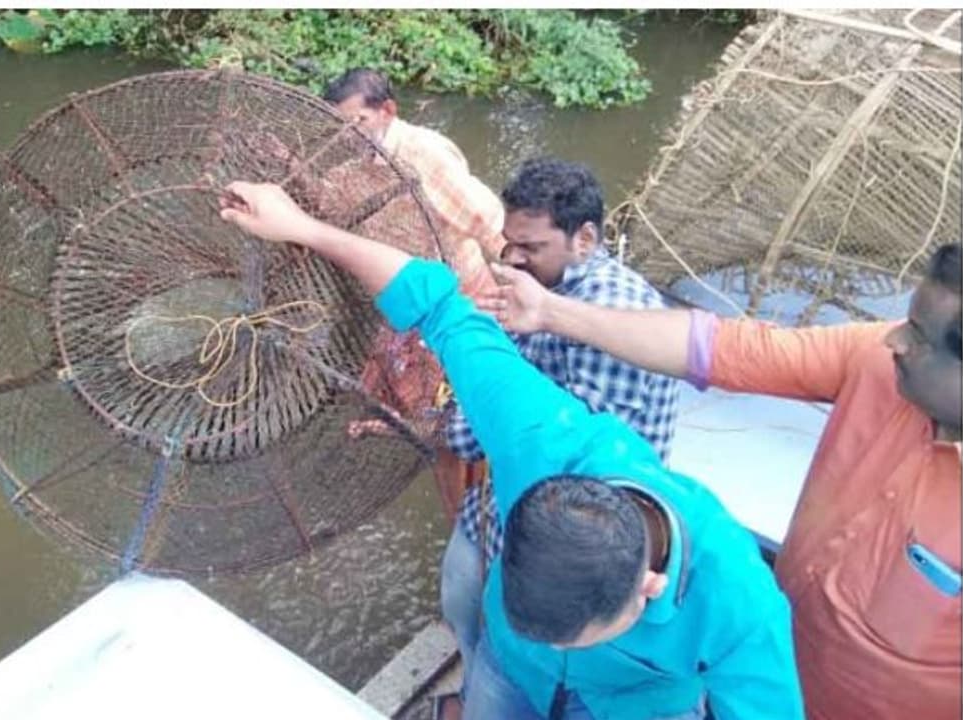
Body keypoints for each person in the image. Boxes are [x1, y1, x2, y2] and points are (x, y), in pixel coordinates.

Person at [219, 181, 804, 720]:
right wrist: (302, 227)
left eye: (568, 637)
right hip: (510, 666)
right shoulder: (538, 439)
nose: (554, 647)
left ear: (648, 587)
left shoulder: (741, 607)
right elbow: (434, 301)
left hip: (635, 703)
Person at [477, 245, 963, 720]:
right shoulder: (877, 361)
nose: (893, 341)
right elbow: (719, 349)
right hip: (751, 666)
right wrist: (550, 311)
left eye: (919, 338)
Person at [440, 157, 683, 692]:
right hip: (501, 508)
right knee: (460, 604)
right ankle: (475, 669)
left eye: (531, 247)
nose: (511, 260)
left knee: (514, 670)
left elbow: (528, 450)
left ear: (585, 239)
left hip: (567, 535)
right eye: (509, 243)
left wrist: (483, 354)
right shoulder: (545, 290)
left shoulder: (612, 321)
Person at [324, 67, 506, 517]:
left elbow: (486, 219)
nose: (349, 135)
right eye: (340, 126)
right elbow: (331, 202)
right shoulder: (363, 159)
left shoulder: (423, 155)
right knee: (412, 400)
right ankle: (425, 449)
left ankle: (474, 507)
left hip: (460, 296)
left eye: (357, 123)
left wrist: (522, 279)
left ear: (387, 111)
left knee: (465, 412)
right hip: (408, 304)